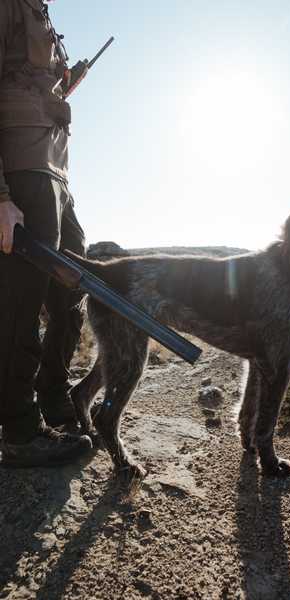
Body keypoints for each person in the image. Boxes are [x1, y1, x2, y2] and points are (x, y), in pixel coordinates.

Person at [0, 0, 92, 466]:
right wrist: (0, 197)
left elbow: (29, 81)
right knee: (21, 302)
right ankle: (18, 429)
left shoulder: (41, 12)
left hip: (57, 172)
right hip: (23, 170)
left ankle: (54, 397)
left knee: (72, 286)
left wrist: (64, 84)